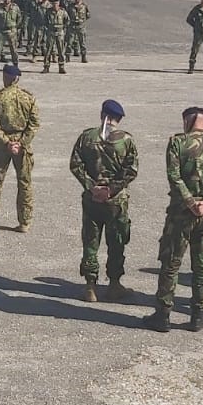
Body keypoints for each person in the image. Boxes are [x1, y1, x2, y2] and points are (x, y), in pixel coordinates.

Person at [144, 106, 203, 333]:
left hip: (180, 214)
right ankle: (198, 314)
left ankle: (163, 314)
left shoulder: (177, 143)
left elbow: (174, 176)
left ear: (186, 122)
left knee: (171, 263)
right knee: (201, 265)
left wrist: (190, 202)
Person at [69, 99, 138, 303]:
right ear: (119, 119)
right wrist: (111, 189)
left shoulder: (87, 137)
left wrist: (92, 187)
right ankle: (114, 284)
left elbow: (76, 165)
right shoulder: (126, 140)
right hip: (116, 201)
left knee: (91, 242)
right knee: (116, 242)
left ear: (102, 115)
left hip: (92, 200)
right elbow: (131, 170)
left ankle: (90, 286)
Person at [0, 64, 39, 233]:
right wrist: (21, 142)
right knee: (25, 183)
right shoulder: (28, 98)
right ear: (17, 78)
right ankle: (24, 222)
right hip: (22, 145)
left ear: (5, 77)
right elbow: (34, 123)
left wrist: (7, 142)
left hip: (2, 146)